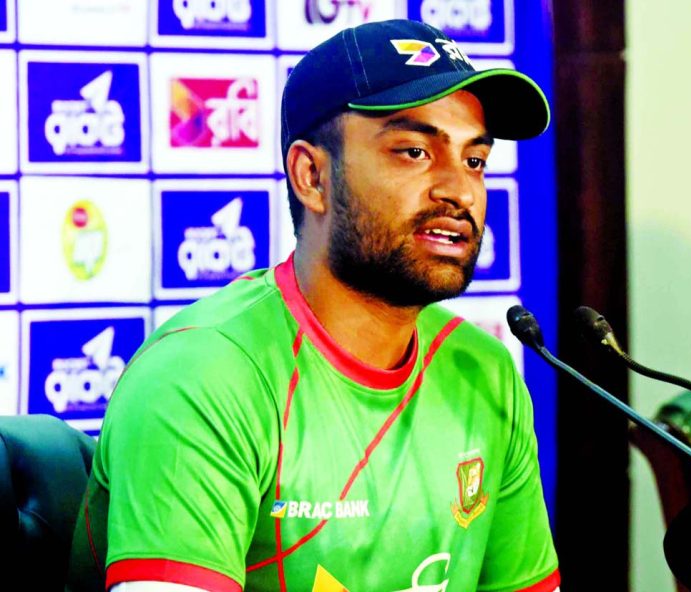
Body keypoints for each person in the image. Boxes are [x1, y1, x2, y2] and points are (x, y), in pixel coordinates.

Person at [67, 19, 559, 592]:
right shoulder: (204, 374)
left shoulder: (487, 372)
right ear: (312, 175)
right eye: (414, 151)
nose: (459, 190)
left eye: (474, 160)